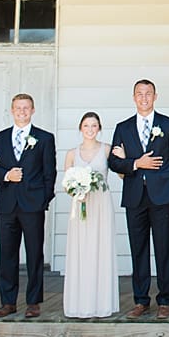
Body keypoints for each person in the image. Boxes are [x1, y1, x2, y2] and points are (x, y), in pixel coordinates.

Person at [108, 79, 169, 320]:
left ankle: (165, 300)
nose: (144, 98)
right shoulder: (123, 128)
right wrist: (135, 163)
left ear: (155, 96)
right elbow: (113, 162)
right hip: (134, 196)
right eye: (139, 94)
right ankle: (141, 300)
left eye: (148, 94)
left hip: (162, 196)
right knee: (138, 250)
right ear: (134, 97)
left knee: (164, 249)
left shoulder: (168, 124)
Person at [0, 93, 57, 319]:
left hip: (32, 205)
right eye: (18, 108)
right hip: (6, 204)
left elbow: (49, 172)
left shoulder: (44, 138)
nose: (22, 112)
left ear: (33, 110)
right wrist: (6, 174)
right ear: (12, 110)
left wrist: (43, 200)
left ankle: (33, 301)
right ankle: (8, 301)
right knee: (7, 254)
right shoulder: (0, 138)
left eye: (26, 108)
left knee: (34, 254)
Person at [63, 112, 118, 318]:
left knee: (100, 248)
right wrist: (77, 190)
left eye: (94, 126)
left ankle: (100, 302)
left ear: (99, 128)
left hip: (101, 204)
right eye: (86, 125)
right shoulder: (71, 153)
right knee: (81, 249)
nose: (90, 129)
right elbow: (67, 183)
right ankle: (79, 302)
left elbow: (120, 172)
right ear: (80, 128)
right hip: (81, 205)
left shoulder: (107, 150)